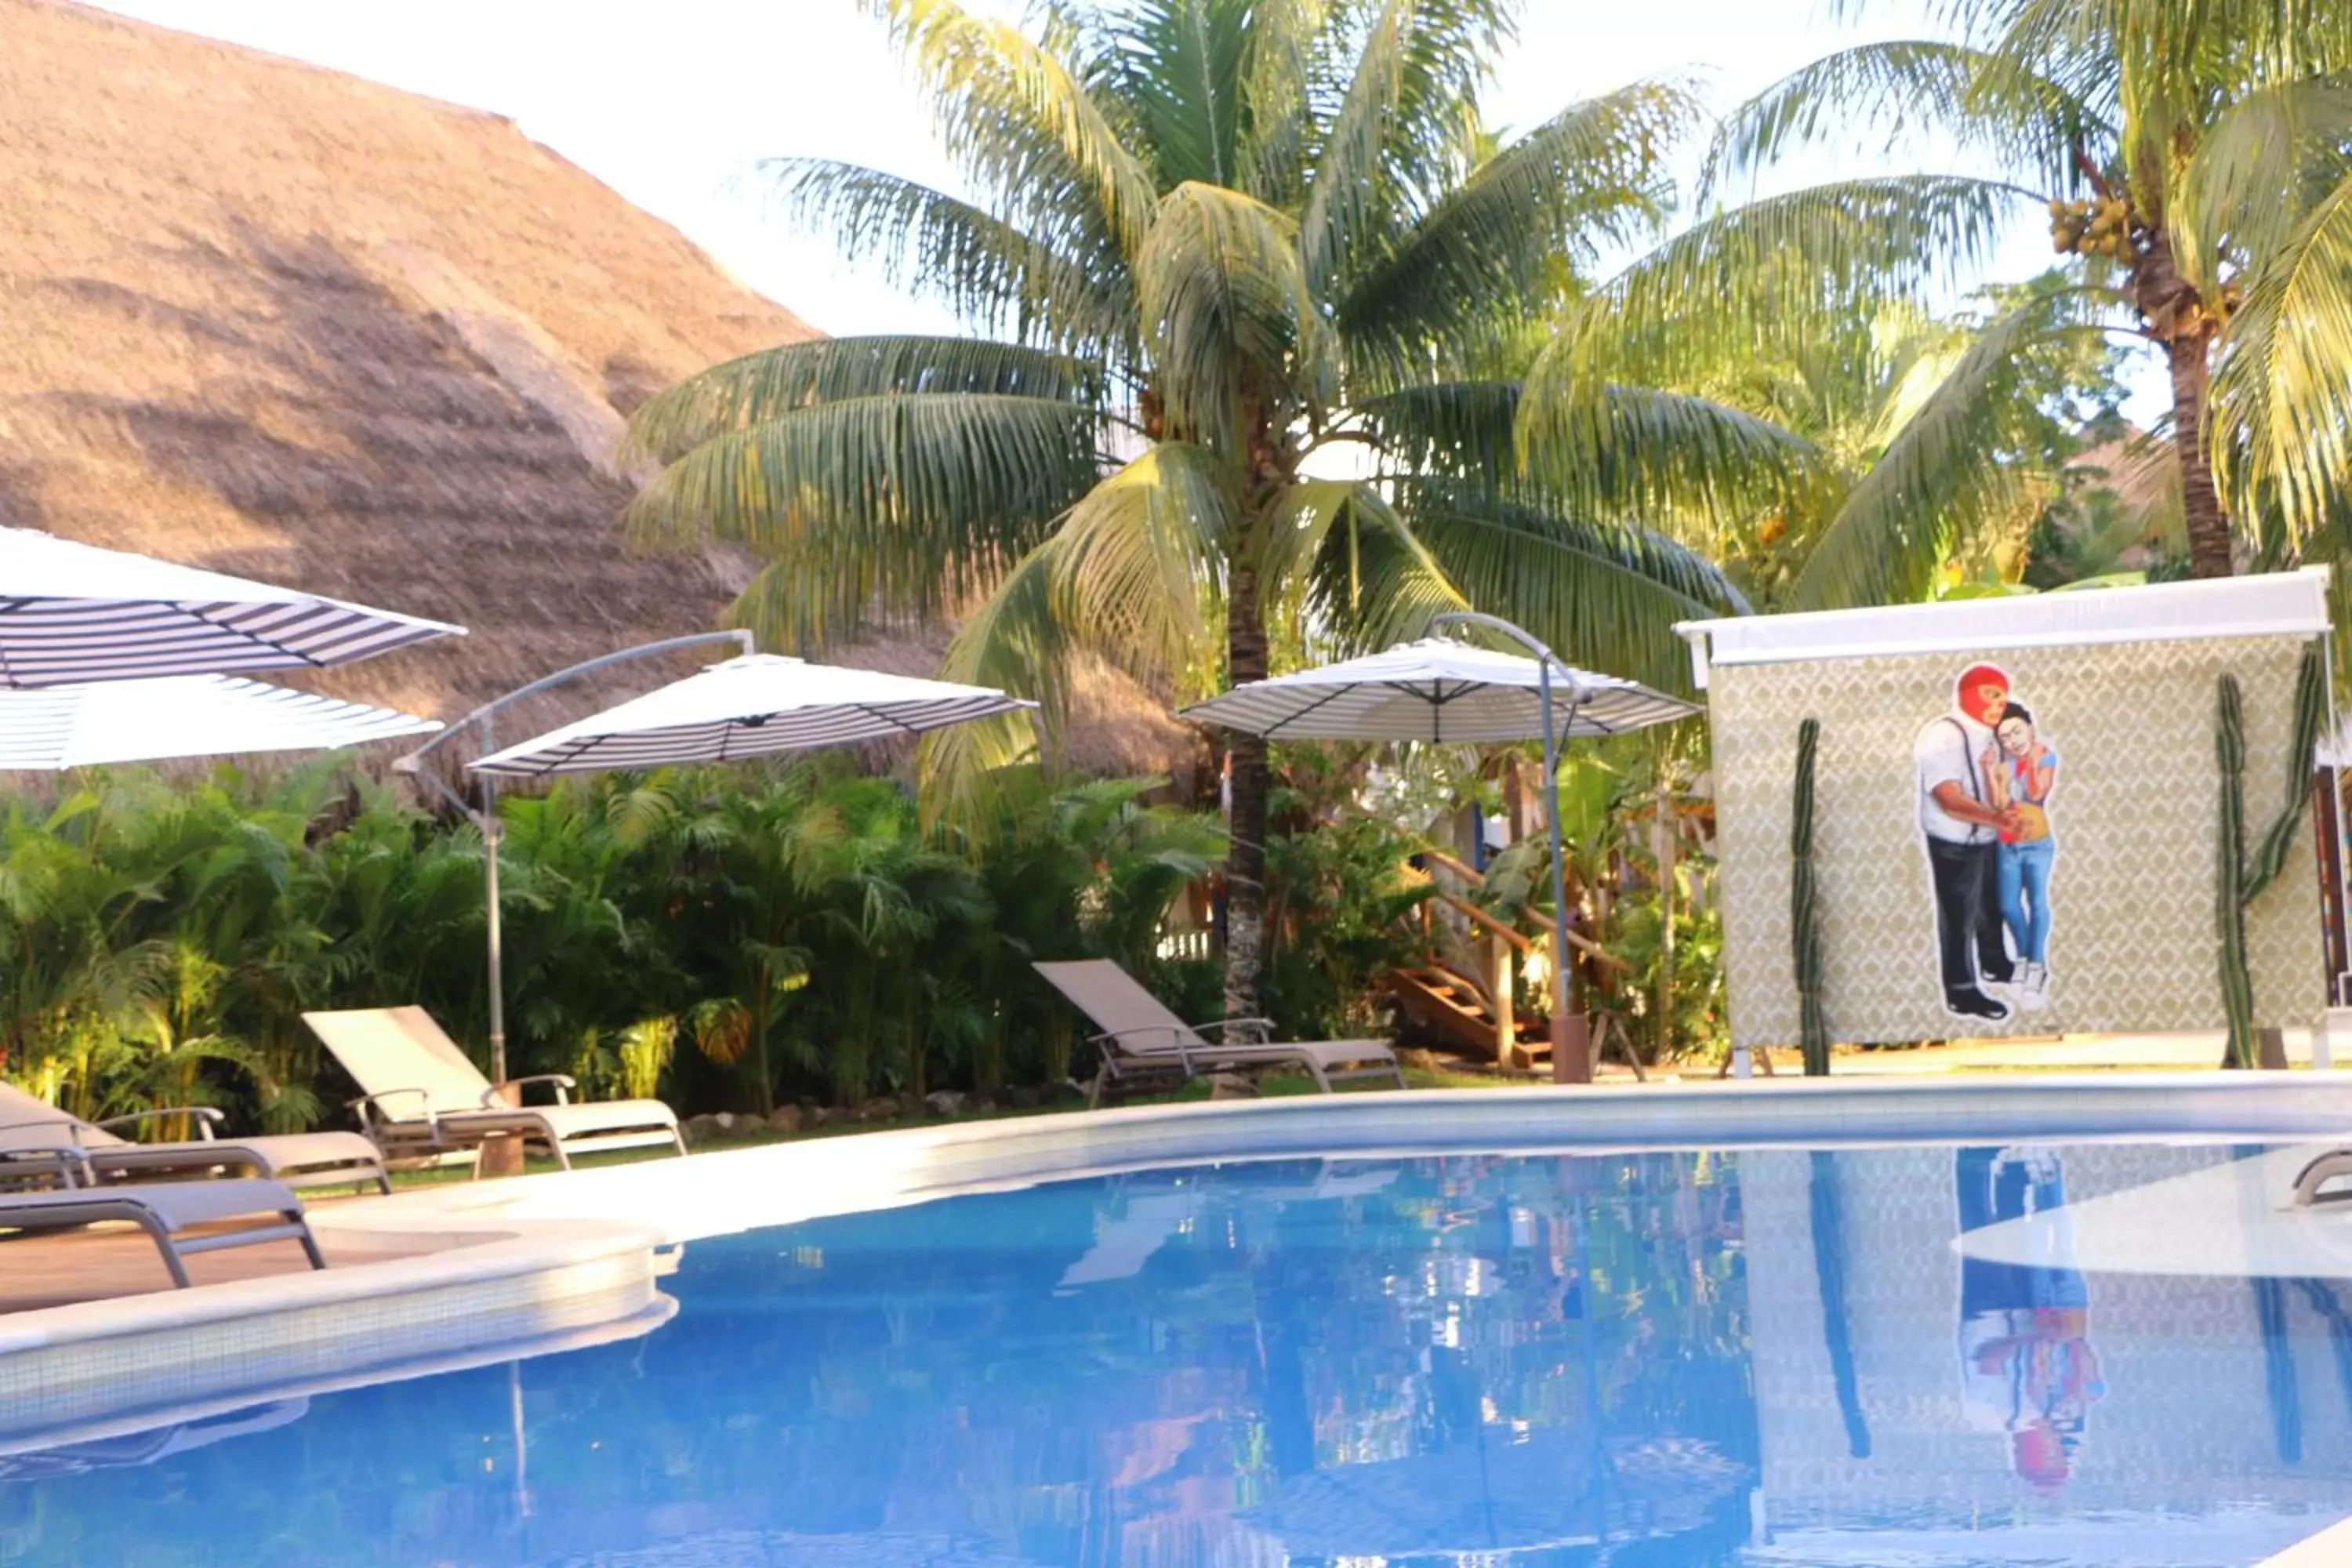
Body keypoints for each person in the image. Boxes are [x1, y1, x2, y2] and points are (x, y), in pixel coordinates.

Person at [1914, 665, 2022, 1019]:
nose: (1998, 705)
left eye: (2003, 698)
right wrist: (1994, 817)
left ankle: (1995, 963)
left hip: (1987, 838)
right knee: (1958, 914)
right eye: (1992, 695)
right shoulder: (1943, 735)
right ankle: (1961, 990)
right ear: (1969, 693)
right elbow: (1948, 797)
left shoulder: (1994, 736)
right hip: (1954, 841)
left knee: (1991, 904)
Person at [1987, 703, 2057, 1007]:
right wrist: (1992, 772)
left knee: (2038, 903)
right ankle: (2026, 958)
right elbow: (2000, 804)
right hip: (2007, 844)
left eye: (2016, 731)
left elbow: (2038, 792)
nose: (2013, 740)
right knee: (2008, 905)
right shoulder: (2004, 764)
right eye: (2005, 738)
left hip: (2038, 843)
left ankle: (2035, 966)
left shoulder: (2045, 755)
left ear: (2030, 726)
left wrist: (2026, 760)